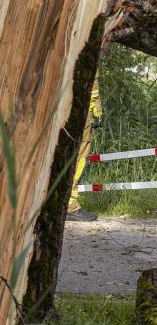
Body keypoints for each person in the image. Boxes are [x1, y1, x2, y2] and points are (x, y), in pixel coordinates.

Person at [67, 74, 102, 222]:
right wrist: (97, 109)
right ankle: (70, 206)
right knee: (79, 157)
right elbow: (91, 79)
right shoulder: (85, 50)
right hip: (80, 107)